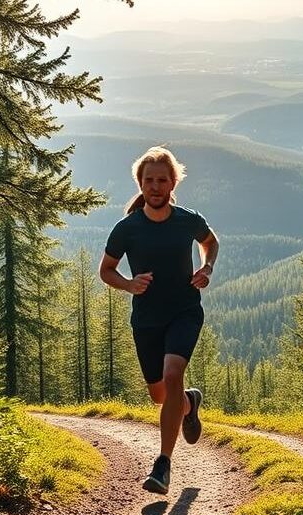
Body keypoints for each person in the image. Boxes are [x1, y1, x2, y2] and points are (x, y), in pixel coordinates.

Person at [99, 147, 219, 495]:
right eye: (148, 180)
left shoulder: (187, 220)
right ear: (140, 183)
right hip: (147, 320)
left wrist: (206, 266)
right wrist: (128, 284)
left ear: (172, 183)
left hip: (184, 311)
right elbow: (106, 270)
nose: (155, 186)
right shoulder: (127, 229)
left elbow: (210, 242)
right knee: (160, 395)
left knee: (172, 374)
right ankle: (187, 403)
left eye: (161, 180)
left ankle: (163, 464)